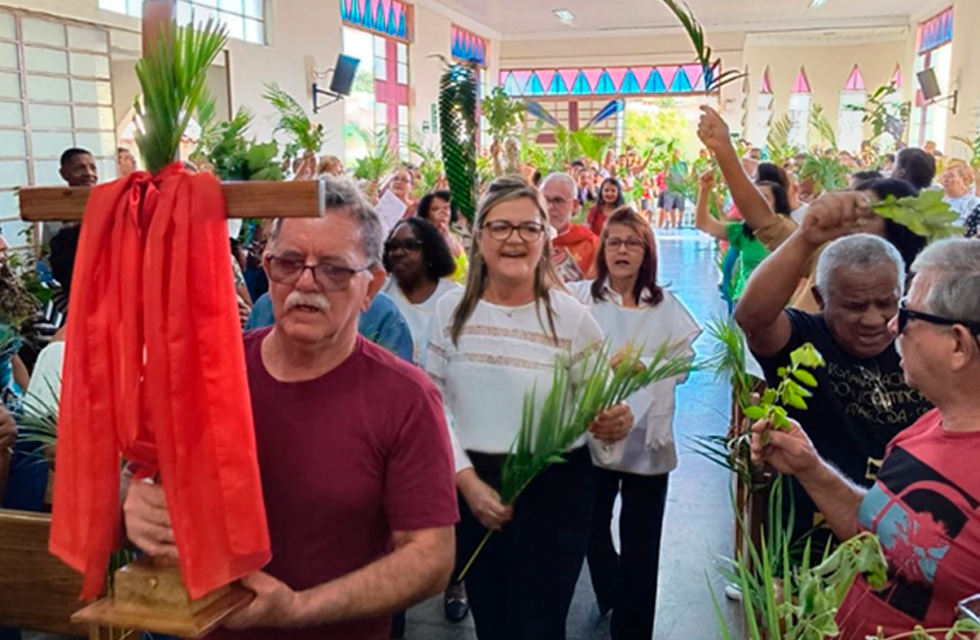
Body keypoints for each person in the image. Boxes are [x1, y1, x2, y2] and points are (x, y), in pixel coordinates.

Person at [123, 177, 458, 640]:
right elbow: (145, 472)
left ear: (371, 286)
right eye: (289, 262)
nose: (306, 281)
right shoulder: (208, 373)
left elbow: (430, 558)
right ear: (266, 266)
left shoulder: (406, 399)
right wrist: (134, 496)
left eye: (335, 269)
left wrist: (299, 609)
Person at [426, 176, 633, 640]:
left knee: (537, 625)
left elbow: (603, 404)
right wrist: (469, 484)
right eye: (500, 227)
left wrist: (616, 420)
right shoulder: (451, 311)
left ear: (546, 238)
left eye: (528, 228)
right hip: (473, 483)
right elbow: (433, 409)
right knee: (492, 619)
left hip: (555, 489)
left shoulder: (572, 318)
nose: (514, 239)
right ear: (478, 236)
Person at [751, 238, 980, 639]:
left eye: (905, 313)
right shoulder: (924, 428)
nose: (890, 325)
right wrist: (811, 468)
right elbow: (882, 539)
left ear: (958, 344)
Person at [734, 193, 932, 547]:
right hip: (815, 547)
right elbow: (753, 318)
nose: (874, 320)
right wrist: (806, 237)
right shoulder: (805, 341)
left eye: (886, 303)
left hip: (910, 541)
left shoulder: (921, 343)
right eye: (855, 306)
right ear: (821, 299)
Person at [567, 208, 699, 640]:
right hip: (595, 429)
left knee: (642, 543)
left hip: (648, 439)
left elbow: (682, 363)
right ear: (603, 249)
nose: (622, 250)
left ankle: (633, 627)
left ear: (647, 252)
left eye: (632, 242)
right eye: (614, 242)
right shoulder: (580, 299)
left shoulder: (665, 305)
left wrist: (643, 366)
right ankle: (613, 589)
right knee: (590, 525)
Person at [697, 105, 928, 312]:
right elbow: (761, 218)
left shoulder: (917, 293)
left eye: (865, 213)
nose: (849, 216)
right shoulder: (823, 253)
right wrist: (724, 150)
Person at [696, 170, 792, 303]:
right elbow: (704, 224)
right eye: (755, 199)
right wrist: (704, 190)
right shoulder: (744, 232)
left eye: (765, 199)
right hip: (744, 302)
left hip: (778, 305)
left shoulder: (790, 233)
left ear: (778, 203)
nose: (758, 204)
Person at [382, 218, 460, 365]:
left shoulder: (455, 298)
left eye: (409, 246)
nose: (398, 252)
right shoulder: (381, 294)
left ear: (430, 251)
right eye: (393, 246)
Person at [541, 173, 600, 283]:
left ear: (574, 206)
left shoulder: (590, 244)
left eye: (558, 201)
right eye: (544, 200)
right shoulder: (525, 241)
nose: (549, 207)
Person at [417, 191, 468, 283]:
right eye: (435, 209)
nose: (443, 212)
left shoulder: (457, 238)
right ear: (427, 214)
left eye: (446, 208)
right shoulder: (422, 239)